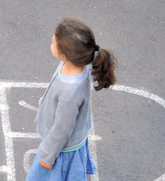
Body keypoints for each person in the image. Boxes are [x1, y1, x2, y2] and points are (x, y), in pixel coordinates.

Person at [26, 17, 117, 181]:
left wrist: (47, 156)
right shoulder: (76, 64)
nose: (50, 41)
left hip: (62, 150)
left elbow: (62, 129)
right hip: (67, 139)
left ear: (64, 55)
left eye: (53, 42)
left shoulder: (70, 91)